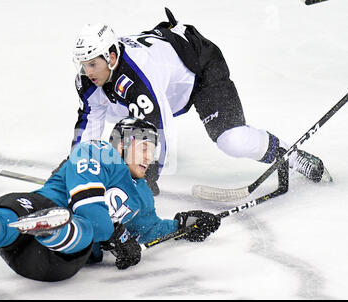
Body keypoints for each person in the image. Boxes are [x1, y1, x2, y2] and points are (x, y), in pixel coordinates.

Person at [0, 117, 221, 282]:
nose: (150, 156)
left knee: (82, 231)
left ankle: (51, 230)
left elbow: (150, 229)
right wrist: (116, 237)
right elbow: (91, 209)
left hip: (55, 262)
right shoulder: (95, 153)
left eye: (153, 150)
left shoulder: (141, 195)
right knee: (21, 212)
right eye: (143, 147)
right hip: (35, 221)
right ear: (120, 144)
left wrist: (184, 225)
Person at [71, 8, 330, 196]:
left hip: (201, 68)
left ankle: (293, 156)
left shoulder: (138, 76)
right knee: (104, 108)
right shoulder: (92, 79)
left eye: (93, 63)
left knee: (233, 141)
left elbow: (160, 127)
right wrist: (76, 168)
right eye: (84, 64)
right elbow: (90, 120)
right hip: (169, 78)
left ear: (112, 56)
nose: (89, 71)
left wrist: (147, 179)